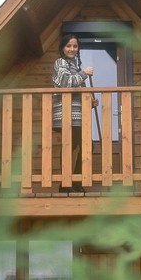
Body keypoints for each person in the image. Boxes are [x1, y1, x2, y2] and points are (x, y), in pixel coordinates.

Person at [52, 34, 97, 193]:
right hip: (66, 115)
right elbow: (66, 83)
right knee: (68, 147)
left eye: (75, 46)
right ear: (63, 48)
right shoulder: (60, 63)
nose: (72, 49)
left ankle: (75, 182)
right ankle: (66, 184)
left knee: (87, 146)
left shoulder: (76, 67)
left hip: (78, 115)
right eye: (68, 46)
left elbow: (77, 92)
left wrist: (90, 103)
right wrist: (85, 73)